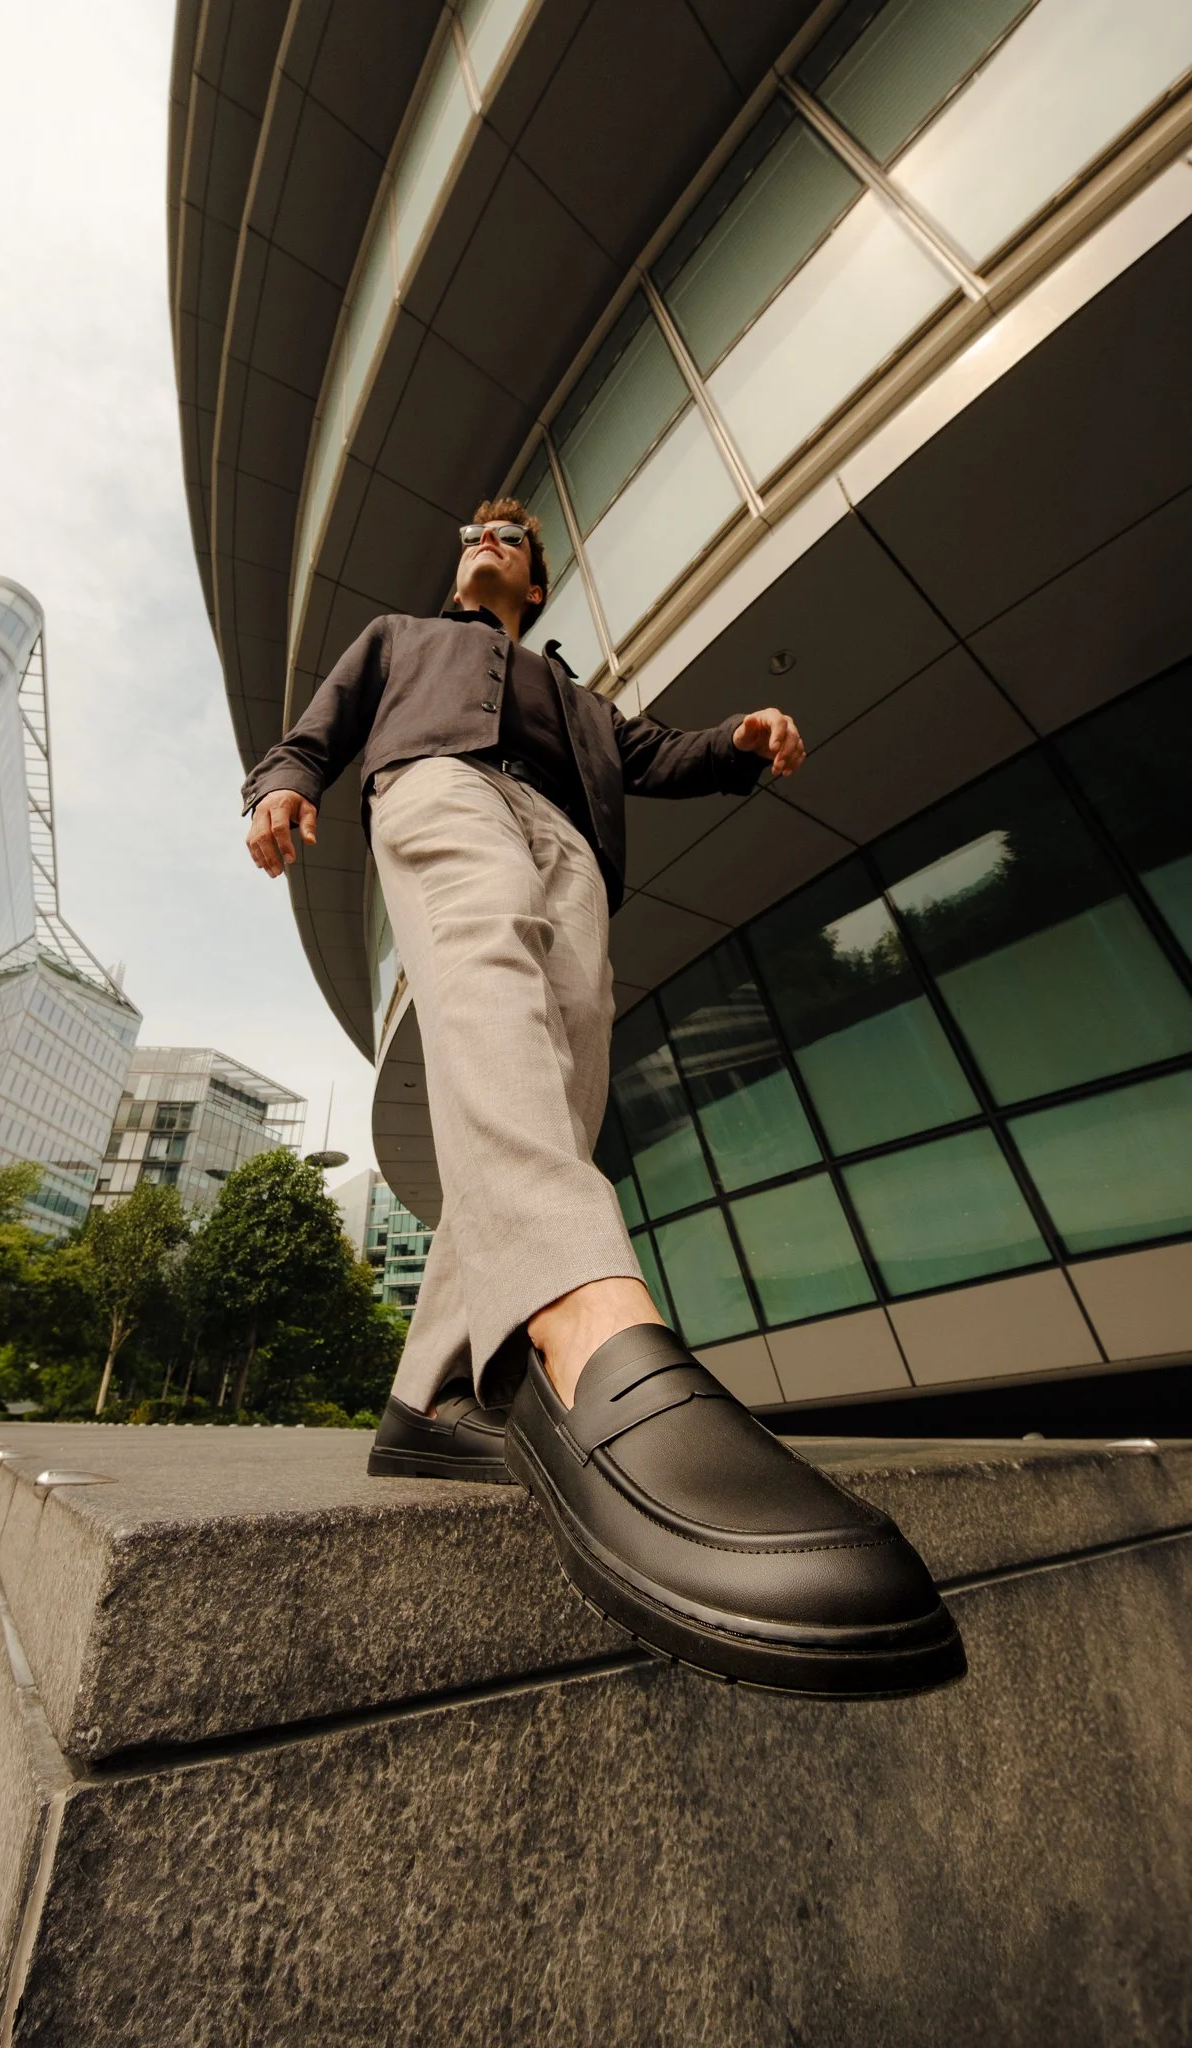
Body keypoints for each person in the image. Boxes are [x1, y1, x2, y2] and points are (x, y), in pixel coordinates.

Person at [245, 499, 964, 1698]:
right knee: (484, 970)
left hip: (573, 843)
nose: (486, 535)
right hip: (438, 787)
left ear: (536, 581)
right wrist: (283, 783)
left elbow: (657, 754)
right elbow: (320, 728)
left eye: (511, 532)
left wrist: (738, 741)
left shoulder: (578, 698)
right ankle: (583, 1329)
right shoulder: (398, 639)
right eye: (475, 529)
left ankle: (431, 1393)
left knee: (564, 1069)